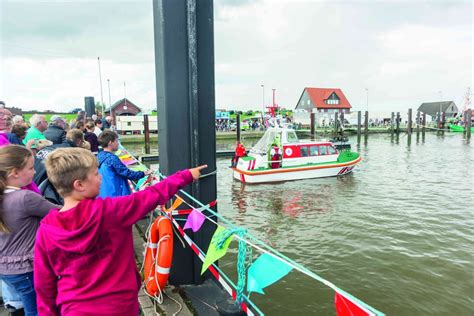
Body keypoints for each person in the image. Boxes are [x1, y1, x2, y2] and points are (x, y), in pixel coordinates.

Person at [33, 147, 205, 315]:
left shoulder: (47, 229)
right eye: (95, 173)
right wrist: (186, 175)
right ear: (79, 185)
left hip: (74, 308)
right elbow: (152, 195)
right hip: (119, 305)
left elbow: (44, 283)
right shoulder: (111, 211)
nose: (101, 177)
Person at [0, 145, 61, 315]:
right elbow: (63, 213)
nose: (35, 172)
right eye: (31, 167)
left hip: (5, 269)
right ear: (15, 172)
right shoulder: (26, 198)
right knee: (37, 310)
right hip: (27, 269)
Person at [97, 130, 150, 198]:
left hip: (103, 195)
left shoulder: (98, 157)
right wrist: (144, 173)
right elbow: (127, 173)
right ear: (110, 143)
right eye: (116, 141)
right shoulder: (112, 159)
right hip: (116, 196)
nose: (118, 144)